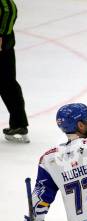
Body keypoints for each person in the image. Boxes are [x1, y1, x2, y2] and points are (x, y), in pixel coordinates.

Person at [0, 0, 29, 143]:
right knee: (7, 84)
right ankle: (18, 123)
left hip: (3, 47)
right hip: (5, 46)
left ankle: (18, 124)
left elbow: (8, 10)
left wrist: (2, 36)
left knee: (7, 84)